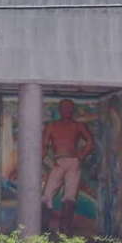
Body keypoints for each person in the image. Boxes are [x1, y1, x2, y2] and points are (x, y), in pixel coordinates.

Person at [41, 99, 95, 235]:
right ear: (60, 110)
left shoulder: (77, 126)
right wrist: (45, 162)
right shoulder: (52, 126)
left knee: (70, 196)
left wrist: (80, 157)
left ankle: (65, 229)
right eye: (64, 108)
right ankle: (43, 226)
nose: (67, 110)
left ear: (73, 110)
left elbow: (90, 142)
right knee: (47, 195)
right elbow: (43, 146)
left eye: (69, 108)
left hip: (73, 162)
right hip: (58, 162)